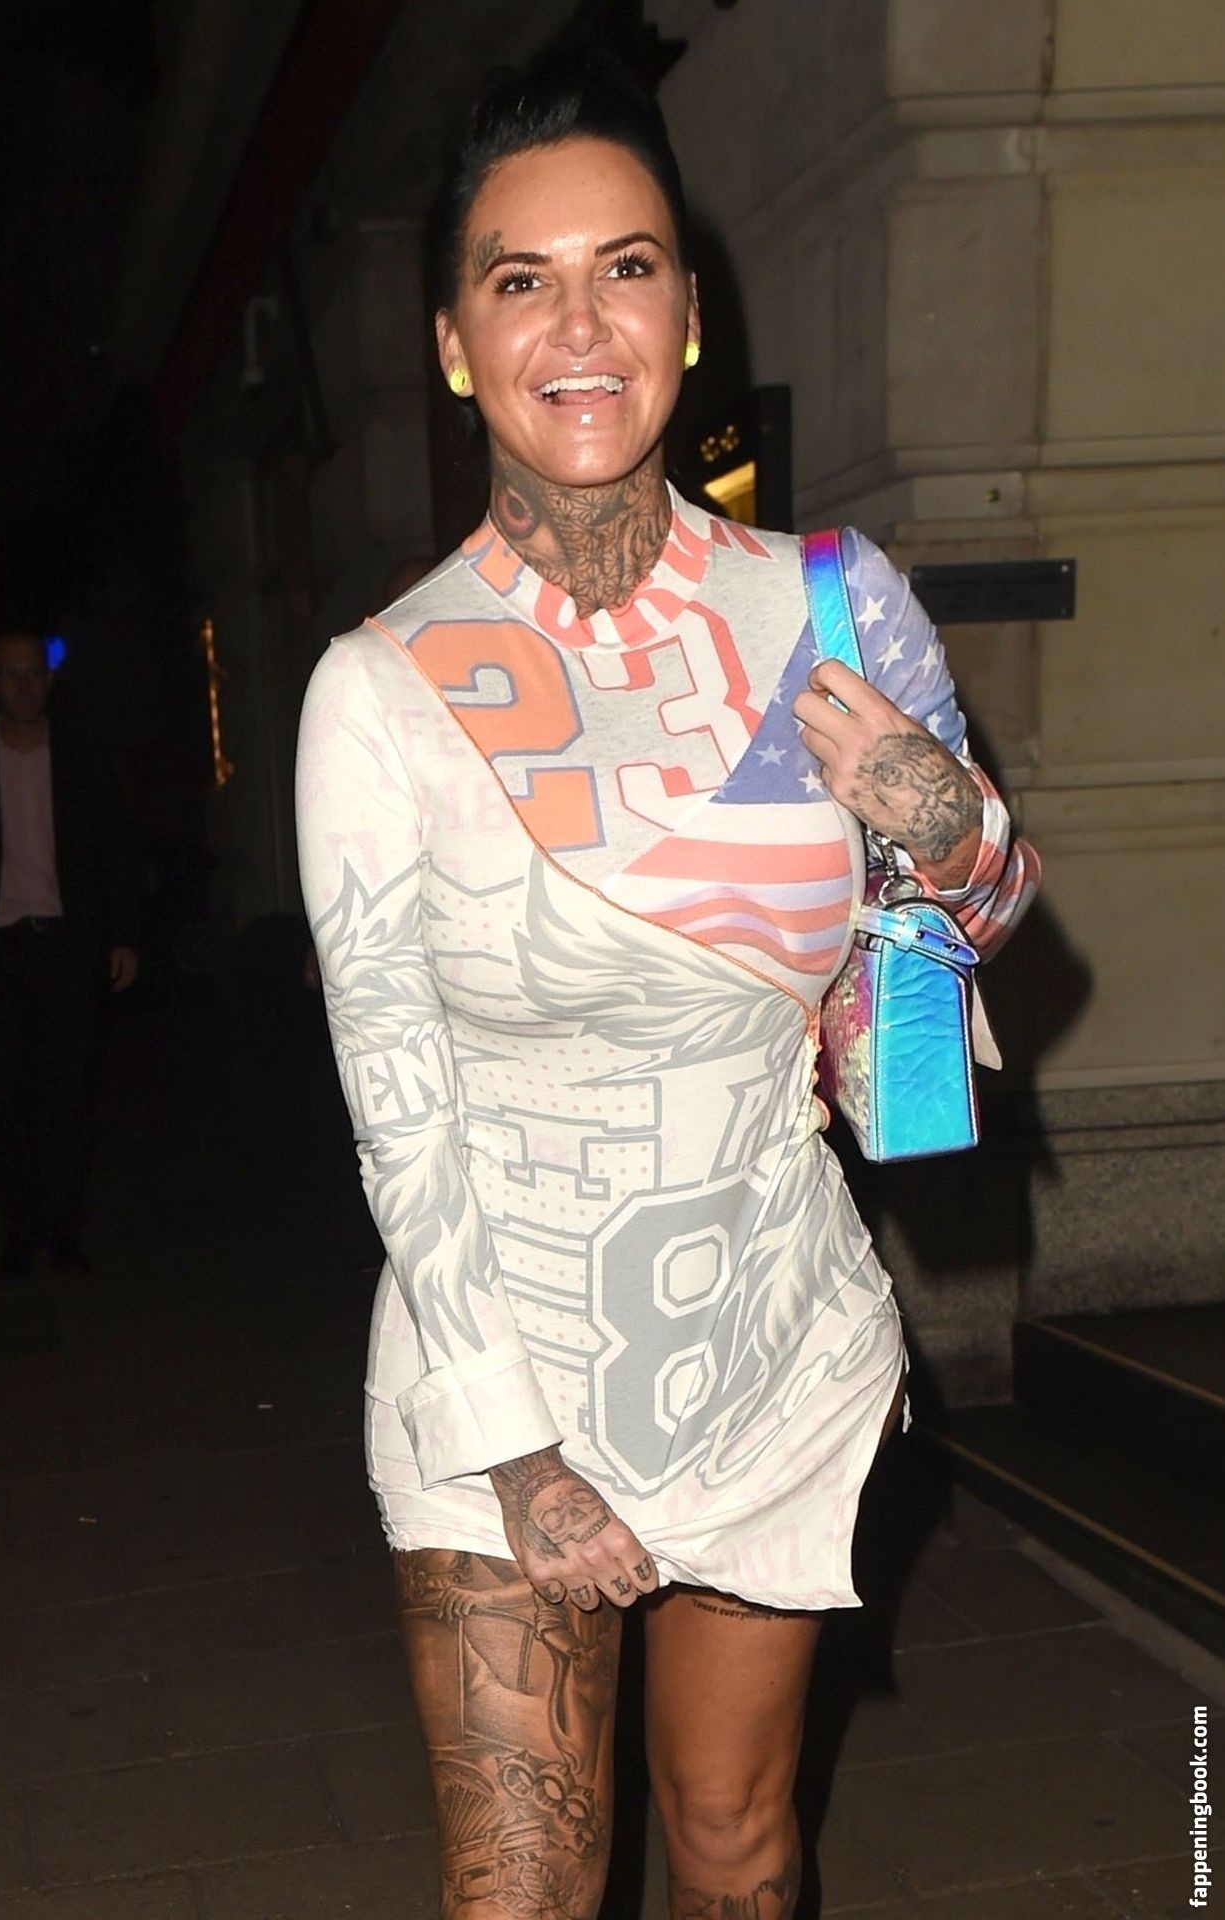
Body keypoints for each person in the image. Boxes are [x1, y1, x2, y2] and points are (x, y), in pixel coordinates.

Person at [295, 52, 1039, 1920]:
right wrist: (516, 1454)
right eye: (518, 280)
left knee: (731, 1843)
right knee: (522, 1899)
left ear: (687, 314)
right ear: (454, 343)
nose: (577, 325)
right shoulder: (378, 689)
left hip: (764, 1331)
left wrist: (938, 815)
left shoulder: (828, 602)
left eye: (622, 268)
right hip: (498, 1359)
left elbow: (981, 912)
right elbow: (396, 1105)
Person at [0, 631, 141, 1279]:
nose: (25, 686)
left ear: (47, 682)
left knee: (69, 1093)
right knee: (4, 1097)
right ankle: (21, 1230)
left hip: (67, 945)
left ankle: (63, 1230)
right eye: (12, 675)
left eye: (34, 674)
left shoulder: (78, 757)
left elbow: (113, 847)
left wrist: (123, 935)